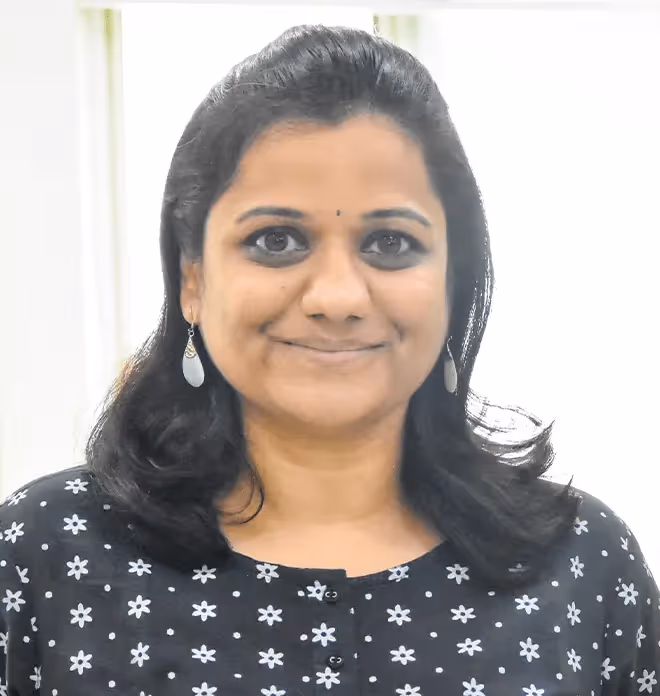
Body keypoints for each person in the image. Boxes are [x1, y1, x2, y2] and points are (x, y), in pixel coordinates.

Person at [0, 23, 657, 696]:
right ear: (192, 277)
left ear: (453, 281)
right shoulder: (45, 554)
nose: (338, 298)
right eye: (276, 240)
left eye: (391, 243)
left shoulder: (583, 566)